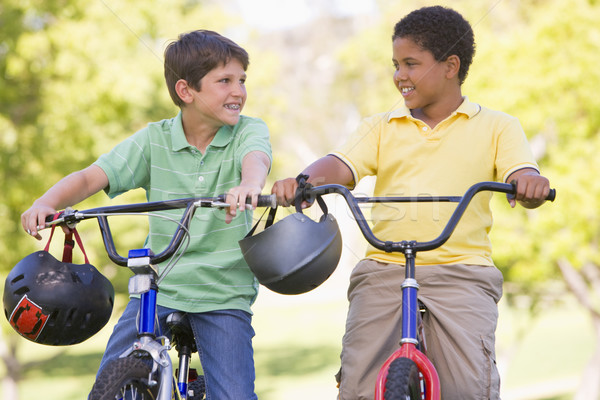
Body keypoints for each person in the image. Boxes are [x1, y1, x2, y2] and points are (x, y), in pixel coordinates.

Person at [271, 6, 550, 400]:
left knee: (469, 388)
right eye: (395, 64)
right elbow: (340, 165)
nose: (399, 75)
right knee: (357, 384)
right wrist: (304, 181)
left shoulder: (498, 126)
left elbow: (520, 173)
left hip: (462, 270)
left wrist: (528, 183)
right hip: (385, 265)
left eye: (411, 64)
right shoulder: (382, 126)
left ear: (450, 65)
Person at [21, 30, 271, 399]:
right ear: (187, 91)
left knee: (234, 394)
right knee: (109, 380)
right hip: (160, 284)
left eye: (241, 81)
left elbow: (257, 159)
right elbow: (93, 176)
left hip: (223, 291)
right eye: (225, 81)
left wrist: (249, 184)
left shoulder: (248, 131)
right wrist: (46, 202)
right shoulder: (154, 140)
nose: (239, 91)